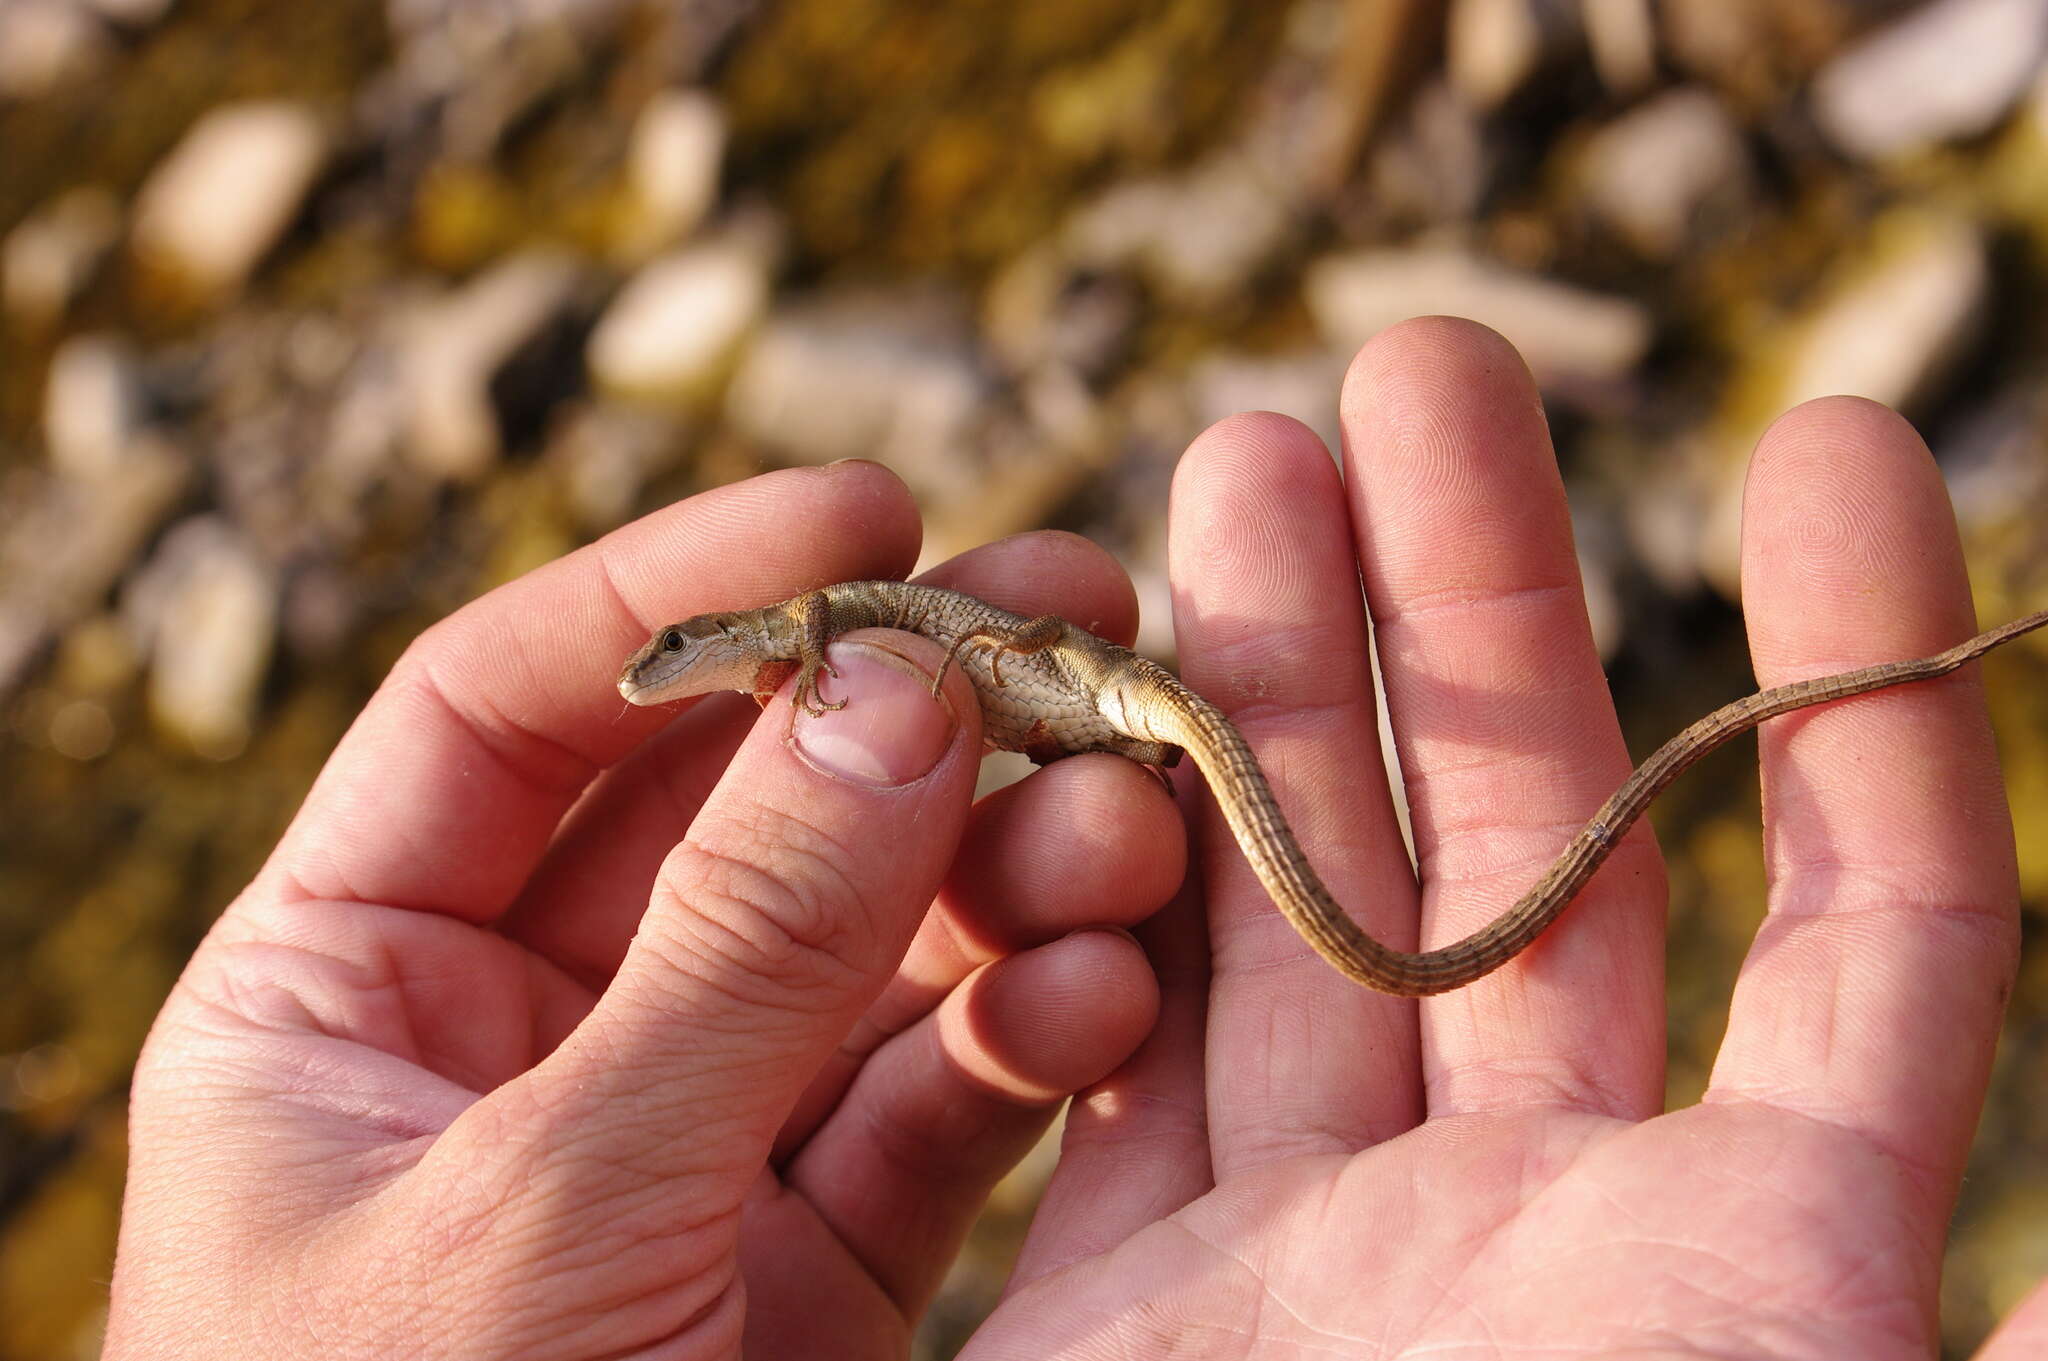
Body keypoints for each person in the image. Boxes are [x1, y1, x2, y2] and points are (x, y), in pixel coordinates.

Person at [102, 319, 2046, 1358]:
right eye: (679, 658)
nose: (667, 674)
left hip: (1078, 681)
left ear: (720, 643)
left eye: (675, 661)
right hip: (1077, 698)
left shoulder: (793, 651)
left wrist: (819, 728)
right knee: (1194, 878)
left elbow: (831, 659)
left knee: (1167, 804)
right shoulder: (790, 663)